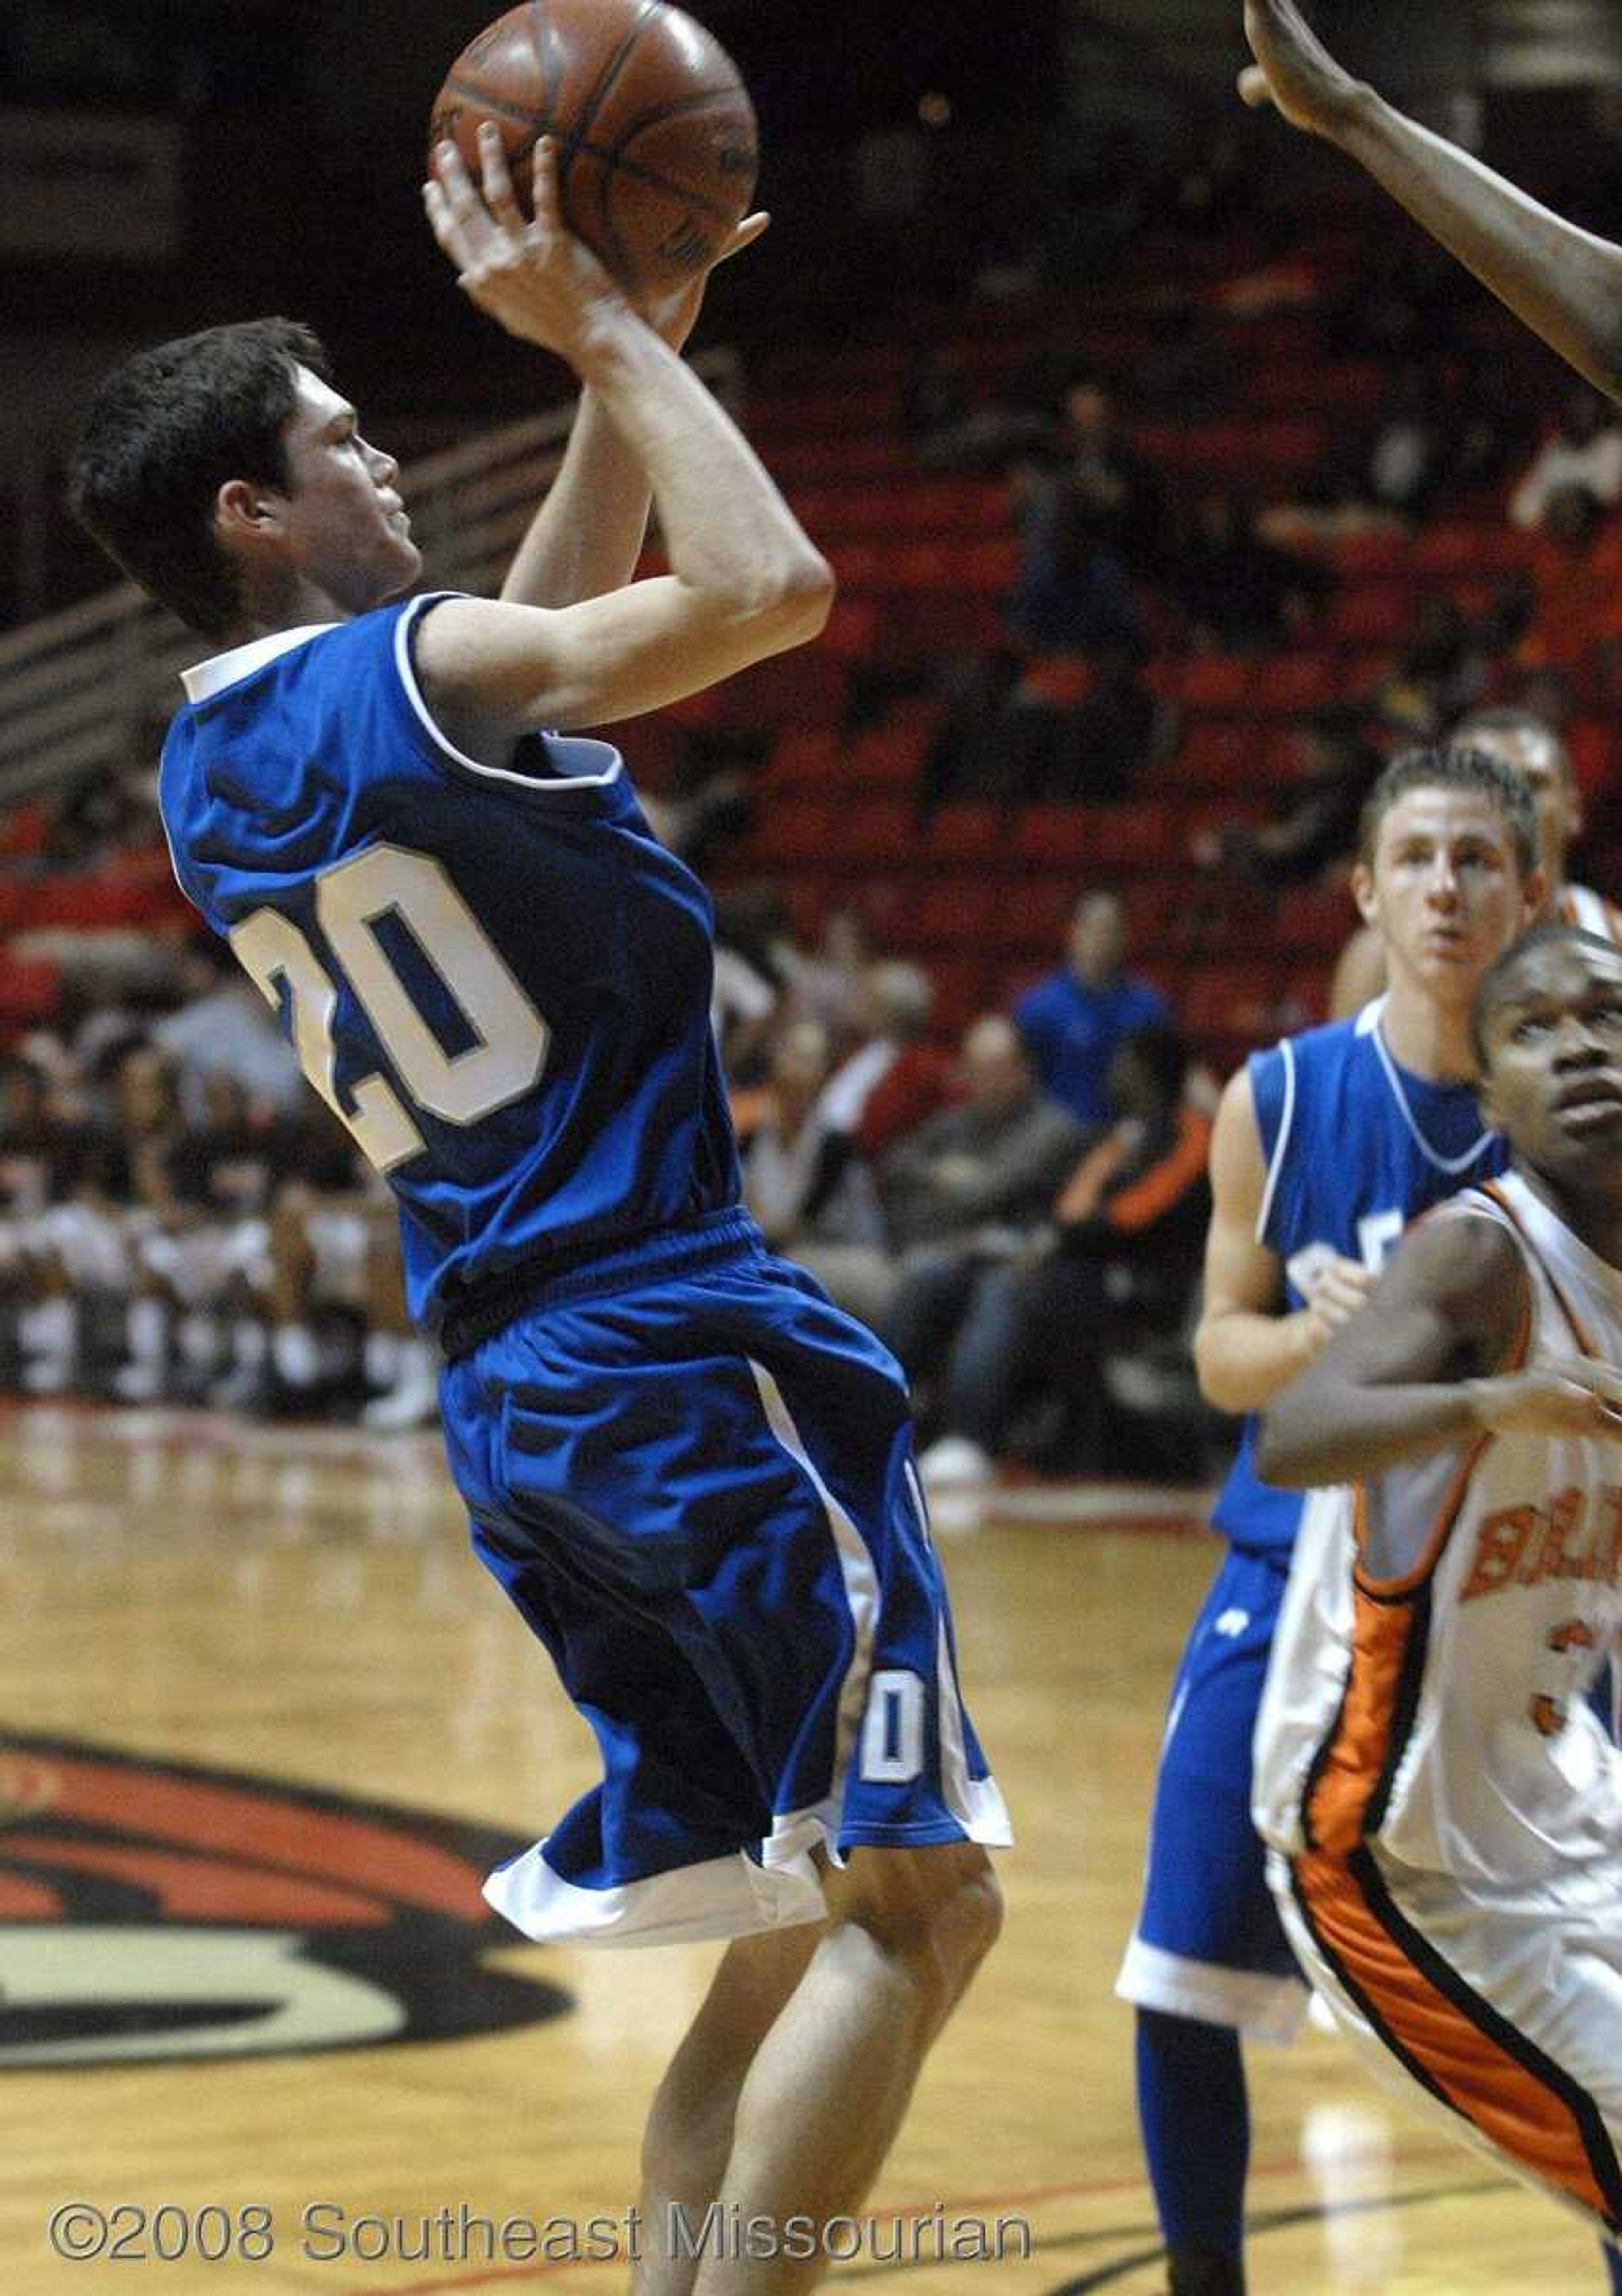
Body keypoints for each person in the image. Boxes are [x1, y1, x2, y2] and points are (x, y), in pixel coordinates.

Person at [67, 130, 1005, 2294]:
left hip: (525, 1392)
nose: (390, 458)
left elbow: (530, 631)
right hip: (679, 1342)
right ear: (254, 513)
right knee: (923, 1905)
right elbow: (768, 592)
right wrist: (599, 331)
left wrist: (628, 363)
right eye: (344, 442)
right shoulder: (407, 678)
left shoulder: (217, 764)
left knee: (779, 1934)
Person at [1116, 745, 1542, 2296]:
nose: (1447, 888)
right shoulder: (1283, 1098)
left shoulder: (1590, 1124)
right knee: (1180, 1978)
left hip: (1519, 1592)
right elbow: (1221, 1353)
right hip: (1299, 1575)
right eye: (1419, 858)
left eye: (1481, 861)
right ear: (1367, 889)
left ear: (1532, 895)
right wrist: (1315, 1341)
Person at [1253, 922, 1622, 2284]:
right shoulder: (1478, 1258)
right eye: (1533, 1027)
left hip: (1563, 1805)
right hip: (1392, 1852)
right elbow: (1292, 1431)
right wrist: (1483, 1400)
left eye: (1606, 1014)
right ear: (1489, 1101)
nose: (1580, 1043)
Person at [1330, 708, 1622, 1018]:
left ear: (1573, 810)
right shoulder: (1382, 959)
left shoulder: (1613, 939)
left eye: (1533, 783)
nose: (1515, 801)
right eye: (1487, 781)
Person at [1014, 892, 1169, 1128]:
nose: (1101, 938)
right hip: (1057, 1143)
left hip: (1128, 1140)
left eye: (1111, 930)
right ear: (1073, 933)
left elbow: (1177, 1073)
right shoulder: (1039, 1008)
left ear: (1125, 937)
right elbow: (1019, 1085)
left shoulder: (1148, 1006)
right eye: (1093, 928)